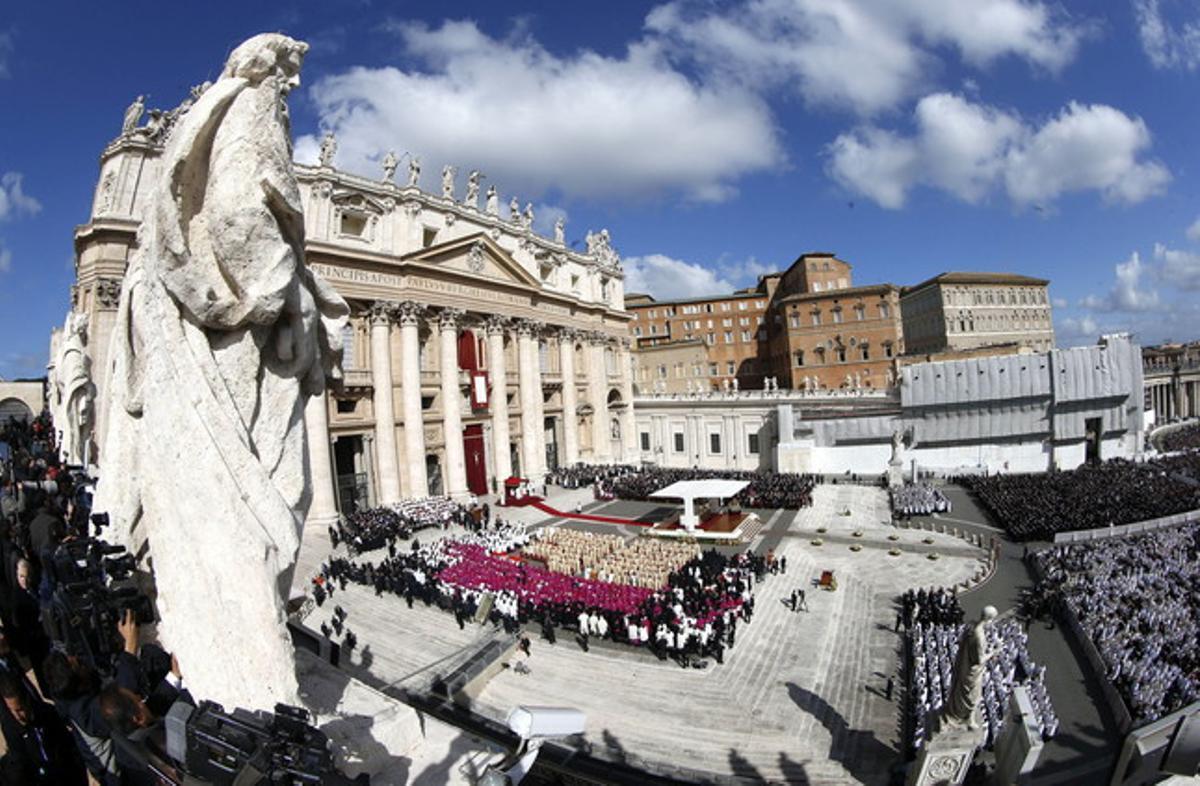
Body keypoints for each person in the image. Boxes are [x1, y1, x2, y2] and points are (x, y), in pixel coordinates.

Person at [0, 671, 88, 784]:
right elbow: (19, 763)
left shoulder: (48, 714)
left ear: (27, 700)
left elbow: (69, 747)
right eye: (11, 710)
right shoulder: (10, 727)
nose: (17, 716)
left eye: (20, 710)